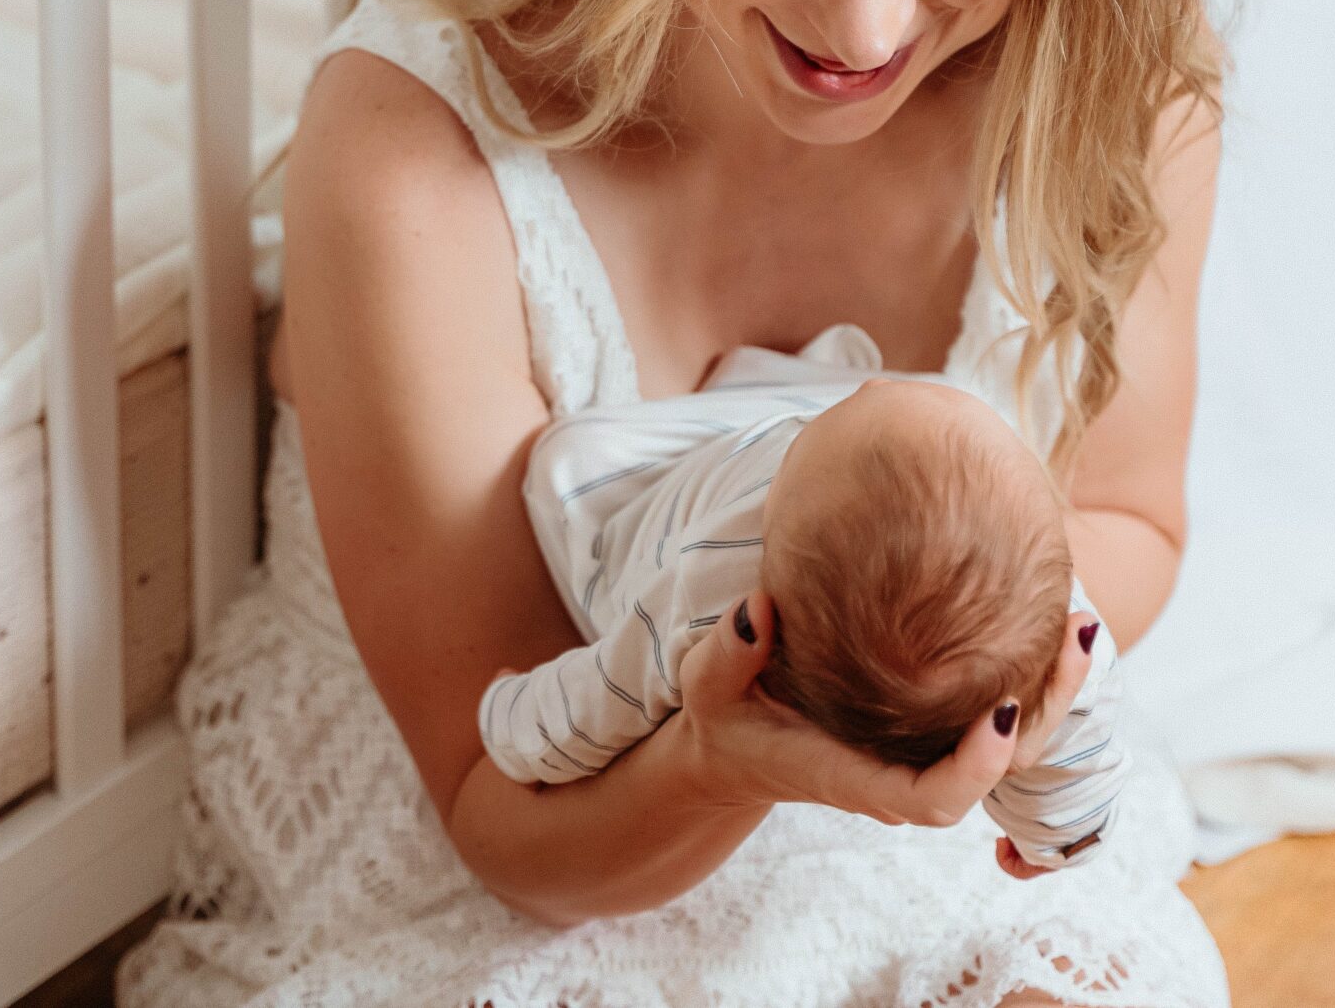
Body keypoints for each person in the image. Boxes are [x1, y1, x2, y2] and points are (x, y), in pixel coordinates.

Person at [122, 0, 1229, 1007]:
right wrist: (730, 744)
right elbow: (511, 820)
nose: (859, 23)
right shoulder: (420, 151)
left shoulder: (1110, 82)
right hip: (507, 862)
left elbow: (1129, 516)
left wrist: (936, 661)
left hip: (919, 796)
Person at [481, 350, 1127, 880]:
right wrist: (1056, 840)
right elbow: (1078, 745)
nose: (877, 379)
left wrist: (513, 717)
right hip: (790, 449)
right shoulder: (1053, 611)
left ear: (773, 524)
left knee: (568, 459)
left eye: (862, 400)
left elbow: (604, 692)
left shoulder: (716, 586)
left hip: (654, 503)